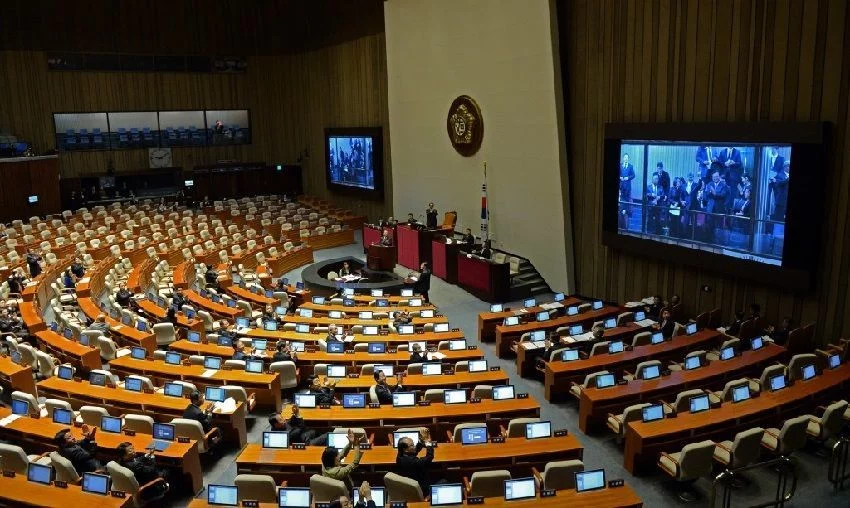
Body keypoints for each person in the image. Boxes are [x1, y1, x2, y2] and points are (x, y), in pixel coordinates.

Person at [395, 429, 435, 495]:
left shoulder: (400, 455)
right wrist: (428, 443)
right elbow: (429, 457)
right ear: (405, 449)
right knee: (443, 480)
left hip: (408, 483)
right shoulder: (413, 462)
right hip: (421, 488)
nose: (414, 446)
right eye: (412, 445)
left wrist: (421, 441)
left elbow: (414, 451)